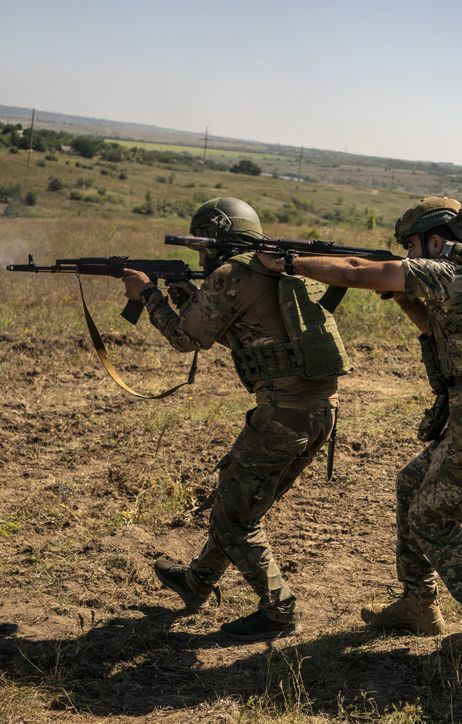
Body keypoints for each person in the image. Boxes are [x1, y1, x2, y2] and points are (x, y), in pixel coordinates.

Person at [252, 197, 462, 651]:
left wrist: (289, 262)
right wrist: (405, 302)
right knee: (411, 484)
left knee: (432, 520)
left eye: (412, 246)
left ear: (436, 241)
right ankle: (419, 602)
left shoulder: (443, 271)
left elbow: (357, 270)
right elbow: (446, 330)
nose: (408, 256)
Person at [120, 197, 351, 642]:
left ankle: (279, 611)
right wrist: (197, 303)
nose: (201, 259)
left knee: (235, 516)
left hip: (285, 415)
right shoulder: (278, 270)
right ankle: (197, 582)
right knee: (242, 506)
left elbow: (184, 340)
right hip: (320, 411)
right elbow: (262, 339)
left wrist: (147, 295)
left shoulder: (232, 275)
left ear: (214, 242)